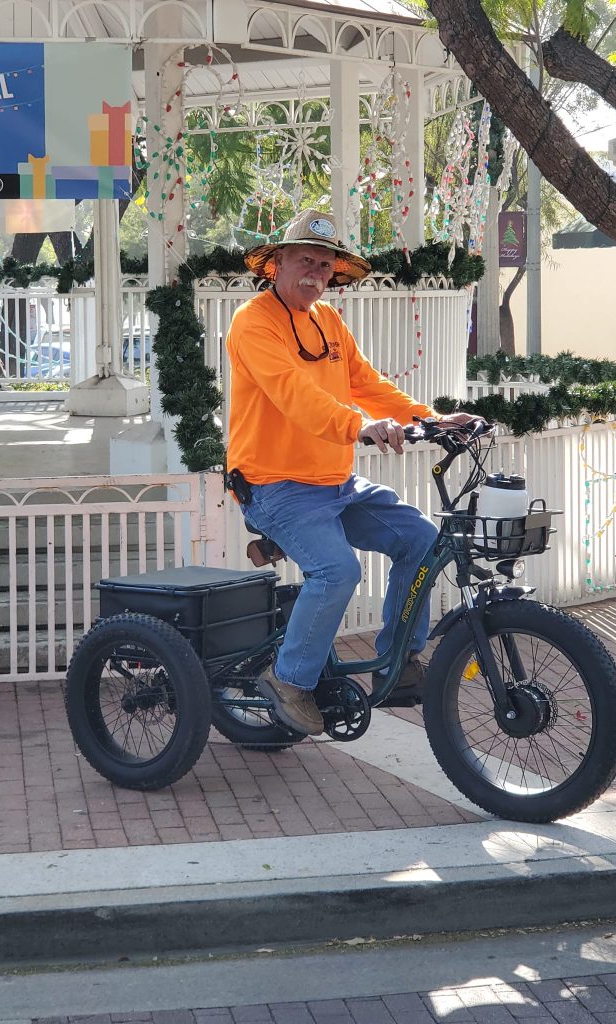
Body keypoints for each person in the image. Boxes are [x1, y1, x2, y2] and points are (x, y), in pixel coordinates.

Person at [225, 209, 476, 737]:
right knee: (337, 572)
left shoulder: (329, 322)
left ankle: (398, 660)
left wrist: (428, 419)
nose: (315, 272)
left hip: (335, 483)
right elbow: (294, 394)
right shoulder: (253, 321)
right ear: (276, 264)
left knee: (421, 539)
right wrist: (357, 426)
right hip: (275, 486)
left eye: (324, 263)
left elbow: (368, 384)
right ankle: (288, 679)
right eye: (304, 260)